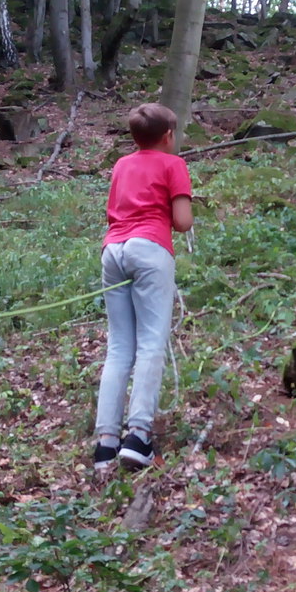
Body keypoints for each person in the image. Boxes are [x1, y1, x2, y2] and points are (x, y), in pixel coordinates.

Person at [91, 103, 193, 475]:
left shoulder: (121, 165)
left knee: (119, 347)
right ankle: (138, 436)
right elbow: (182, 221)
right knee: (151, 342)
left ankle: (106, 444)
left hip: (113, 251)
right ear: (168, 136)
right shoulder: (173, 165)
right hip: (150, 250)